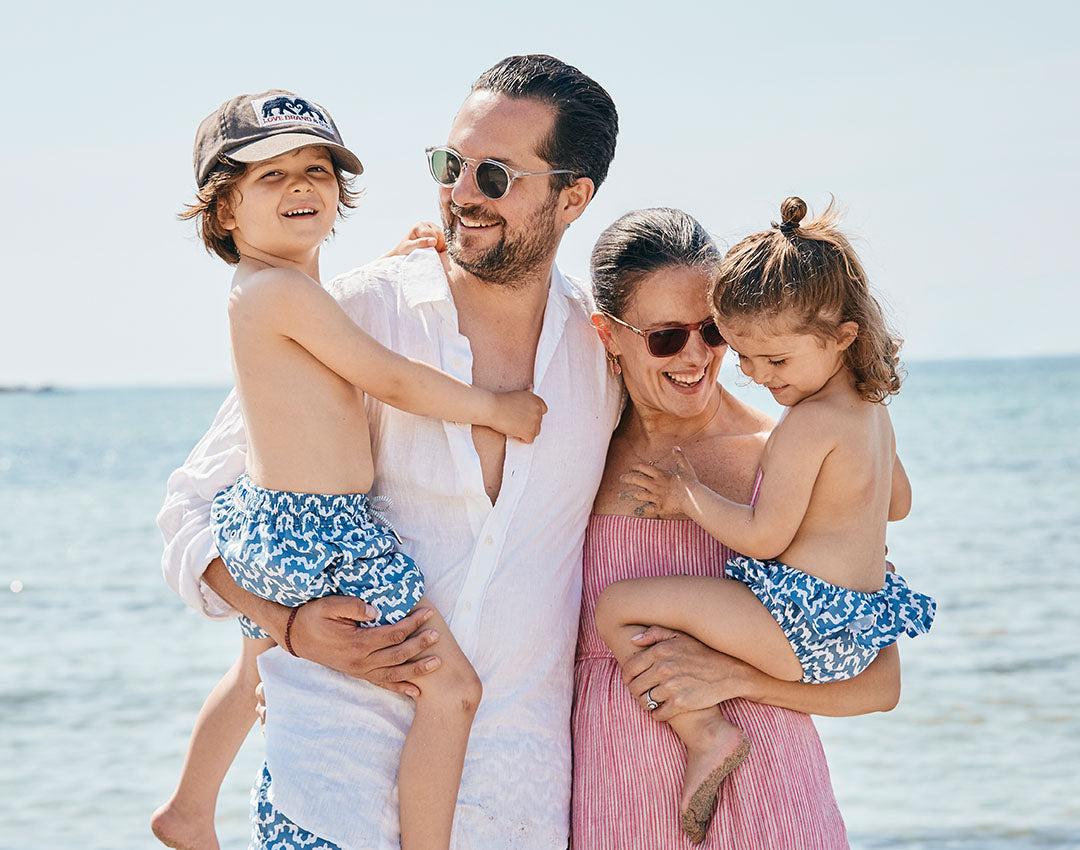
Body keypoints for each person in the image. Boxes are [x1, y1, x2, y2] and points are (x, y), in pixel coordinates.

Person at [157, 57, 622, 849]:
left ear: (572, 196)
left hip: (520, 805)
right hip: (333, 791)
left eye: (495, 174)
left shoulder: (606, 357)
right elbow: (192, 512)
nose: (462, 193)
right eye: (452, 166)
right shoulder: (358, 310)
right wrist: (286, 626)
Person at [587, 202, 934, 844]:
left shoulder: (788, 452)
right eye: (666, 336)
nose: (697, 356)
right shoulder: (574, 459)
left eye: (713, 332)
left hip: (768, 795)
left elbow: (879, 681)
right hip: (611, 790)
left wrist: (738, 678)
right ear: (607, 336)